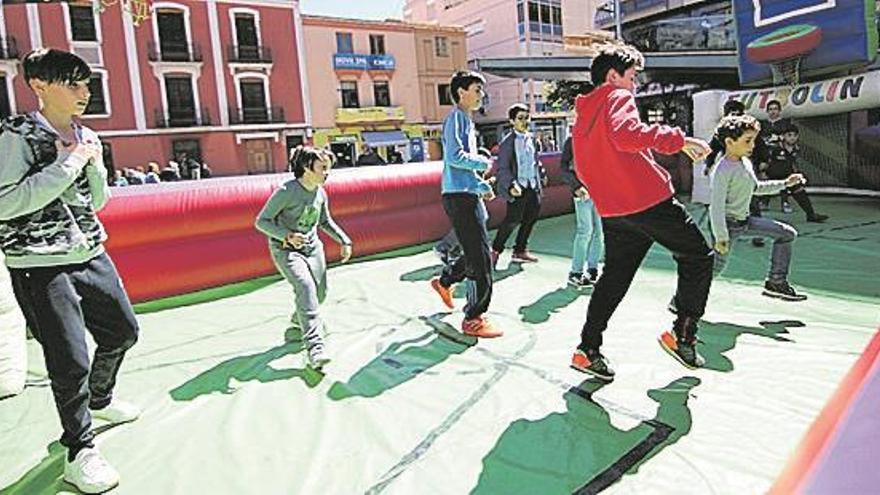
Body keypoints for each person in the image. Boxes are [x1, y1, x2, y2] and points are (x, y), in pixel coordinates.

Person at [0, 49, 140, 494]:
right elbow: (6, 203)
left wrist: (93, 164)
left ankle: (99, 400)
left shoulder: (86, 134)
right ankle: (79, 452)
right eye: (73, 83)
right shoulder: (14, 134)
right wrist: (70, 163)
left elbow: (96, 202)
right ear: (40, 85)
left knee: (122, 331)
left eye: (86, 83)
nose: (85, 92)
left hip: (89, 251)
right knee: (69, 360)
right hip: (39, 263)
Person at [569, 44, 713, 381]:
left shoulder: (582, 117)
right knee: (698, 256)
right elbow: (627, 135)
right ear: (612, 76)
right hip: (646, 201)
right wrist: (678, 139)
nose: (634, 86)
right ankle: (683, 335)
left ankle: (587, 349)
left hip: (614, 210)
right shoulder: (615, 97)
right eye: (632, 77)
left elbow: (584, 167)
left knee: (614, 278)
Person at [255, 146, 352, 370]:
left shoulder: (320, 192)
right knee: (305, 287)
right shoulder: (286, 191)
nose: (327, 173)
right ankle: (315, 350)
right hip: (286, 250)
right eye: (323, 168)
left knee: (320, 293)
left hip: (312, 248)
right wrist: (286, 236)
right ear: (307, 168)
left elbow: (325, 222)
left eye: (329, 168)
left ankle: (298, 320)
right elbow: (262, 221)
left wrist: (344, 240)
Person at [429, 70, 502, 339]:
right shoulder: (456, 119)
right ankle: (473, 317)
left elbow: (461, 168)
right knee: (481, 257)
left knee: (475, 251)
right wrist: (483, 162)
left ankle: (445, 281)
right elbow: (455, 157)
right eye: (477, 89)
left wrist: (481, 186)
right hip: (459, 197)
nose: (482, 95)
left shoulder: (467, 122)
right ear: (461, 92)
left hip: (465, 193)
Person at [708, 114, 809, 301]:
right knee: (714, 269)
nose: (752, 145)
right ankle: (681, 302)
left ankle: (776, 283)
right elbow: (716, 207)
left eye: (753, 140)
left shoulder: (745, 163)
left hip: (744, 222)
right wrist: (721, 237)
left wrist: (785, 183)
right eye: (748, 141)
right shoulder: (722, 170)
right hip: (727, 226)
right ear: (730, 142)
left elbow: (756, 188)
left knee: (786, 234)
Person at [491, 103, 547, 267]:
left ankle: (520, 250)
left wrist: (541, 175)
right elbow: (502, 168)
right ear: (512, 121)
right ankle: (495, 250)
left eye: (527, 118)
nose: (525, 121)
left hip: (532, 186)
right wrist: (511, 185)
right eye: (520, 118)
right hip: (517, 188)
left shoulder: (532, 139)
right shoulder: (507, 143)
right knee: (512, 220)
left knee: (531, 218)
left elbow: (535, 161)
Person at [560, 134, 603, 289]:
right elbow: (564, 168)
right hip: (582, 193)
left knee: (599, 232)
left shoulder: (599, 137)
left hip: (600, 192)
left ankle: (592, 270)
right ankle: (575, 272)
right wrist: (576, 186)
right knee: (585, 230)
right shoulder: (572, 141)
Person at [765, 123, 828, 222]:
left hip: (787, 177)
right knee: (757, 197)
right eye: (789, 135)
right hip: (771, 178)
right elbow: (765, 161)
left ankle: (811, 215)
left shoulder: (796, 149)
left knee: (800, 192)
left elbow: (792, 164)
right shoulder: (775, 148)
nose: (792, 138)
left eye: (795, 135)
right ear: (783, 136)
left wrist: (798, 175)